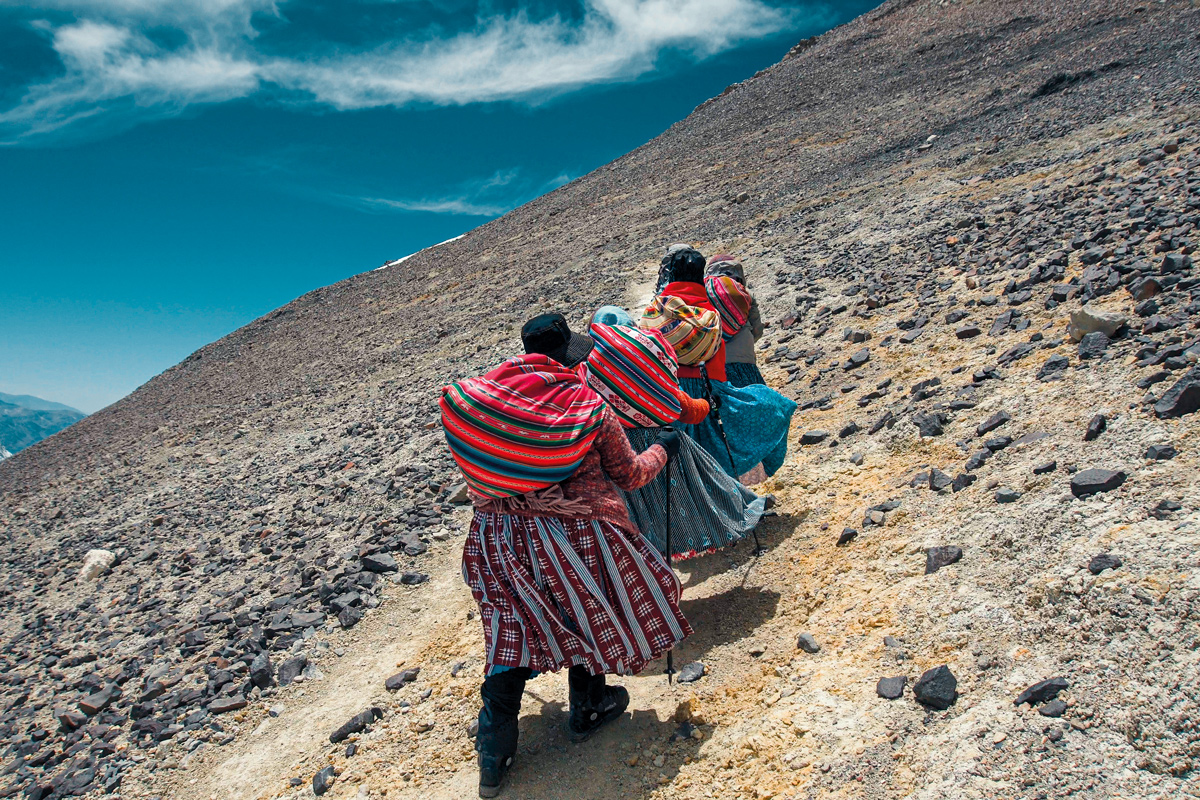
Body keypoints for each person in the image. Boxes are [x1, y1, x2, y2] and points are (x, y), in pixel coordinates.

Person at [441, 312, 691, 798]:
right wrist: (663, 448)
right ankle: (589, 706)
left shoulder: (483, 407)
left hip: (499, 538)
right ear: (567, 358)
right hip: (578, 533)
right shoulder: (589, 406)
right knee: (587, 611)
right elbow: (631, 475)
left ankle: (493, 752)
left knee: (512, 630)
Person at [582, 308, 767, 559]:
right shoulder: (651, 363)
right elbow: (686, 409)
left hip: (620, 453)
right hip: (666, 442)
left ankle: (652, 554)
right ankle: (718, 528)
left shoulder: (586, 371)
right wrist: (707, 405)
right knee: (696, 491)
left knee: (643, 508)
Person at [641, 247, 796, 481]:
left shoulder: (655, 311)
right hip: (708, 392)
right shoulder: (710, 314)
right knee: (771, 407)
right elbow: (718, 366)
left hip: (670, 396)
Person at [705, 255, 766, 388]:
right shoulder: (745, 293)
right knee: (752, 394)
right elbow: (757, 330)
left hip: (713, 360)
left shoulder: (703, 293)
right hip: (744, 355)